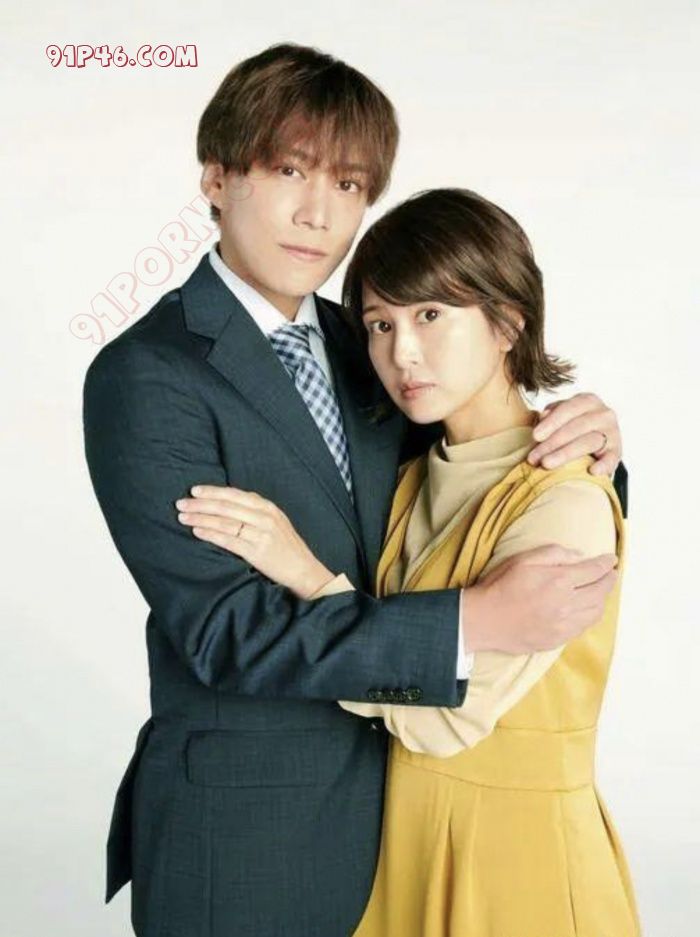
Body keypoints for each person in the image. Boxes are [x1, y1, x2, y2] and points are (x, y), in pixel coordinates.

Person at [83, 43, 626, 937]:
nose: (318, 213)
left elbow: (470, 467)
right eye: (289, 171)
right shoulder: (149, 373)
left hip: (407, 829)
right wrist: (470, 623)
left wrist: (586, 448)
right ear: (215, 177)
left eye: (348, 183)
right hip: (248, 837)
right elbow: (226, 631)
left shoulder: (370, 339)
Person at [178, 187, 640, 937]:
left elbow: (444, 724)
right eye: (380, 324)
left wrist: (307, 575)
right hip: (400, 851)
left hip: (516, 863)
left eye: (431, 315)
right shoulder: (411, 476)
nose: (402, 352)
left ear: (508, 322)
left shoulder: (565, 498)